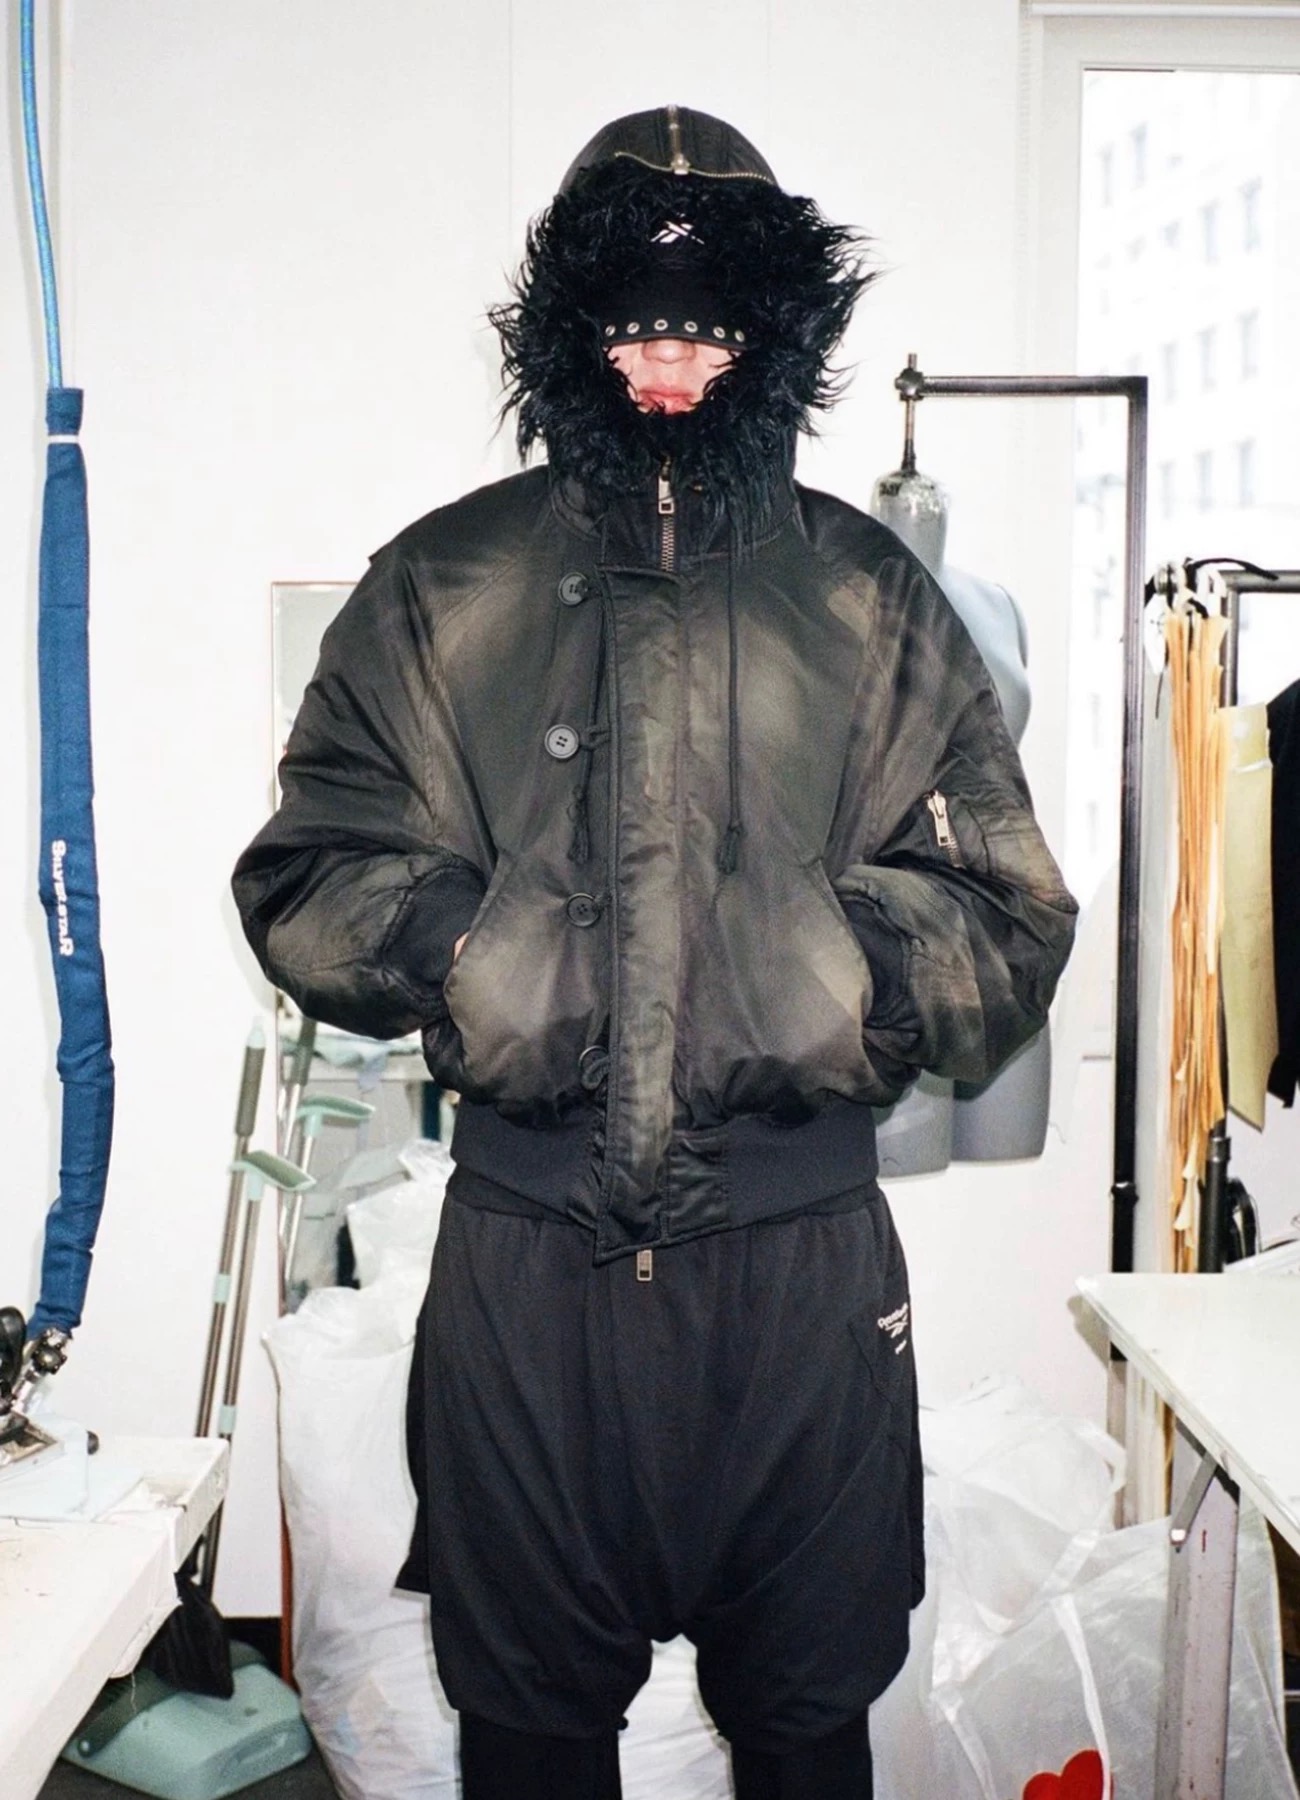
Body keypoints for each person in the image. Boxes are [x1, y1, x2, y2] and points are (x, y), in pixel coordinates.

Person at [233, 105, 1077, 1800]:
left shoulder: (868, 595)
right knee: (529, 1729)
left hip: (799, 1272)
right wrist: (480, 949)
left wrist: (833, 965)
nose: (672, 361)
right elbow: (304, 874)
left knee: (808, 1722)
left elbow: (1010, 911)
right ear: (570, 332)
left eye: (710, 326)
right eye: (632, 325)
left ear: (774, 335)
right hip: (527, 1269)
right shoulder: (441, 584)